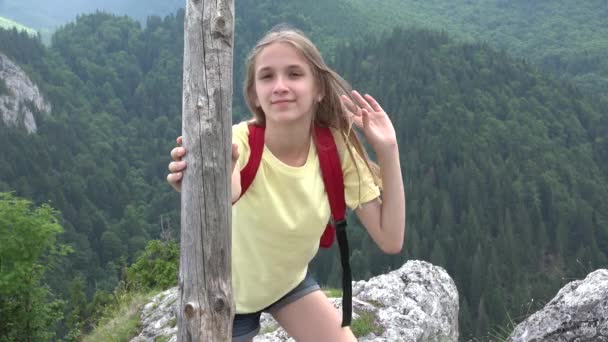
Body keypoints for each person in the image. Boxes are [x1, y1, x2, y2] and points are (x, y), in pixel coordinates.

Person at [167, 25, 405, 342]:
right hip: (225, 299)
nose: (280, 86)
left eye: (294, 74)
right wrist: (202, 180)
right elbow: (228, 189)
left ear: (319, 88)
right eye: (267, 77)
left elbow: (390, 239)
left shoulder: (335, 148)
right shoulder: (238, 143)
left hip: (288, 283)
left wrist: (388, 150)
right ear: (254, 94)